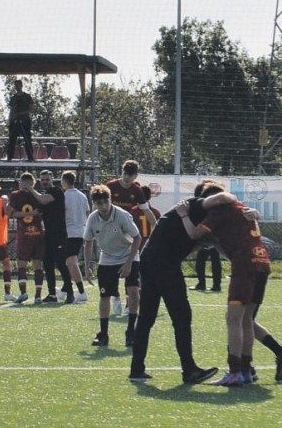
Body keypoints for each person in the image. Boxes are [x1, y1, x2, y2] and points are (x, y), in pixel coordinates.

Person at [189, 182, 282, 385]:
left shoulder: (220, 209)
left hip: (245, 264)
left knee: (234, 319)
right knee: (245, 319)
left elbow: (194, 234)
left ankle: (236, 371)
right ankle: (248, 370)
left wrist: (185, 215)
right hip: (262, 262)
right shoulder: (241, 209)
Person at [127, 191, 218, 384]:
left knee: (146, 318)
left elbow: (188, 242)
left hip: (150, 259)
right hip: (164, 264)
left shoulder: (187, 213)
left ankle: (136, 369)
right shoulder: (195, 206)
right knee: (182, 316)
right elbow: (192, 234)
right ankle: (189, 369)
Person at [82, 185, 141, 347]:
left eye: (105, 201)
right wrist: (87, 265)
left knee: (133, 291)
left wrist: (129, 263)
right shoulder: (93, 218)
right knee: (104, 296)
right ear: (94, 203)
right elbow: (87, 242)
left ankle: (131, 332)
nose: (103, 205)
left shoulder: (122, 216)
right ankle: (103, 334)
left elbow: (137, 238)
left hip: (128, 254)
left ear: (110, 200)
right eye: (99, 202)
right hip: (108, 257)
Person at [105, 160, 156, 316]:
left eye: (129, 175)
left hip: (127, 234)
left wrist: (157, 227)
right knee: (111, 270)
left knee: (131, 270)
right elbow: (99, 206)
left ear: (135, 176)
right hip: (110, 233)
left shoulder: (137, 190)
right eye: (124, 174)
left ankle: (129, 306)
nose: (126, 178)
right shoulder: (111, 186)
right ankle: (115, 297)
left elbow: (147, 211)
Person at [32, 170, 72, 303]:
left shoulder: (57, 191)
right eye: (42, 180)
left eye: (47, 179)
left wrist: (30, 189)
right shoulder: (43, 194)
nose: (45, 182)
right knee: (48, 265)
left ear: (52, 179)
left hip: (59, 235)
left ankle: (70, 293)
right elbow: (37, 212)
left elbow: (44, 201)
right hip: (48, 235)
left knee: (61, 264)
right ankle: (52, 294)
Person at [6, 172, 45, 304]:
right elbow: (39, 212)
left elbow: (9, 213)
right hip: (37, 233)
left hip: (24, 234)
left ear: (20, 183)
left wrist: (21, 214)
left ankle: (23, 293)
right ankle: (38, 296)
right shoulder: (38, 194)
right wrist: (30, 213)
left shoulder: (16, 195)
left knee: (21, 263)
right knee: (37, 265)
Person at [62, 171, 89, 303]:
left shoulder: (64, 196)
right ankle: (64, 289)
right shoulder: (82, 196)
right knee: (70, 262)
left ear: (64, 181)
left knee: (71, 262)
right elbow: (87, 213)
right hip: (81, 231)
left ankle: (82, 291)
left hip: (69, 232)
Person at [5, 79, 35, 161]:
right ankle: (9, 157)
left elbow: (32, 109)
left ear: (21, 85)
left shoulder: (27, 97)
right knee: (12, 139)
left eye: (18, 85)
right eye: (15, 85)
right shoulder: (13, 98)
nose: (16, 87)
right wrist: (10, 120)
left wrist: (22, 113)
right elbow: (11, 110)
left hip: (25, 121)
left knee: (27, 139)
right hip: (14, 121)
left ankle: (30, 157)